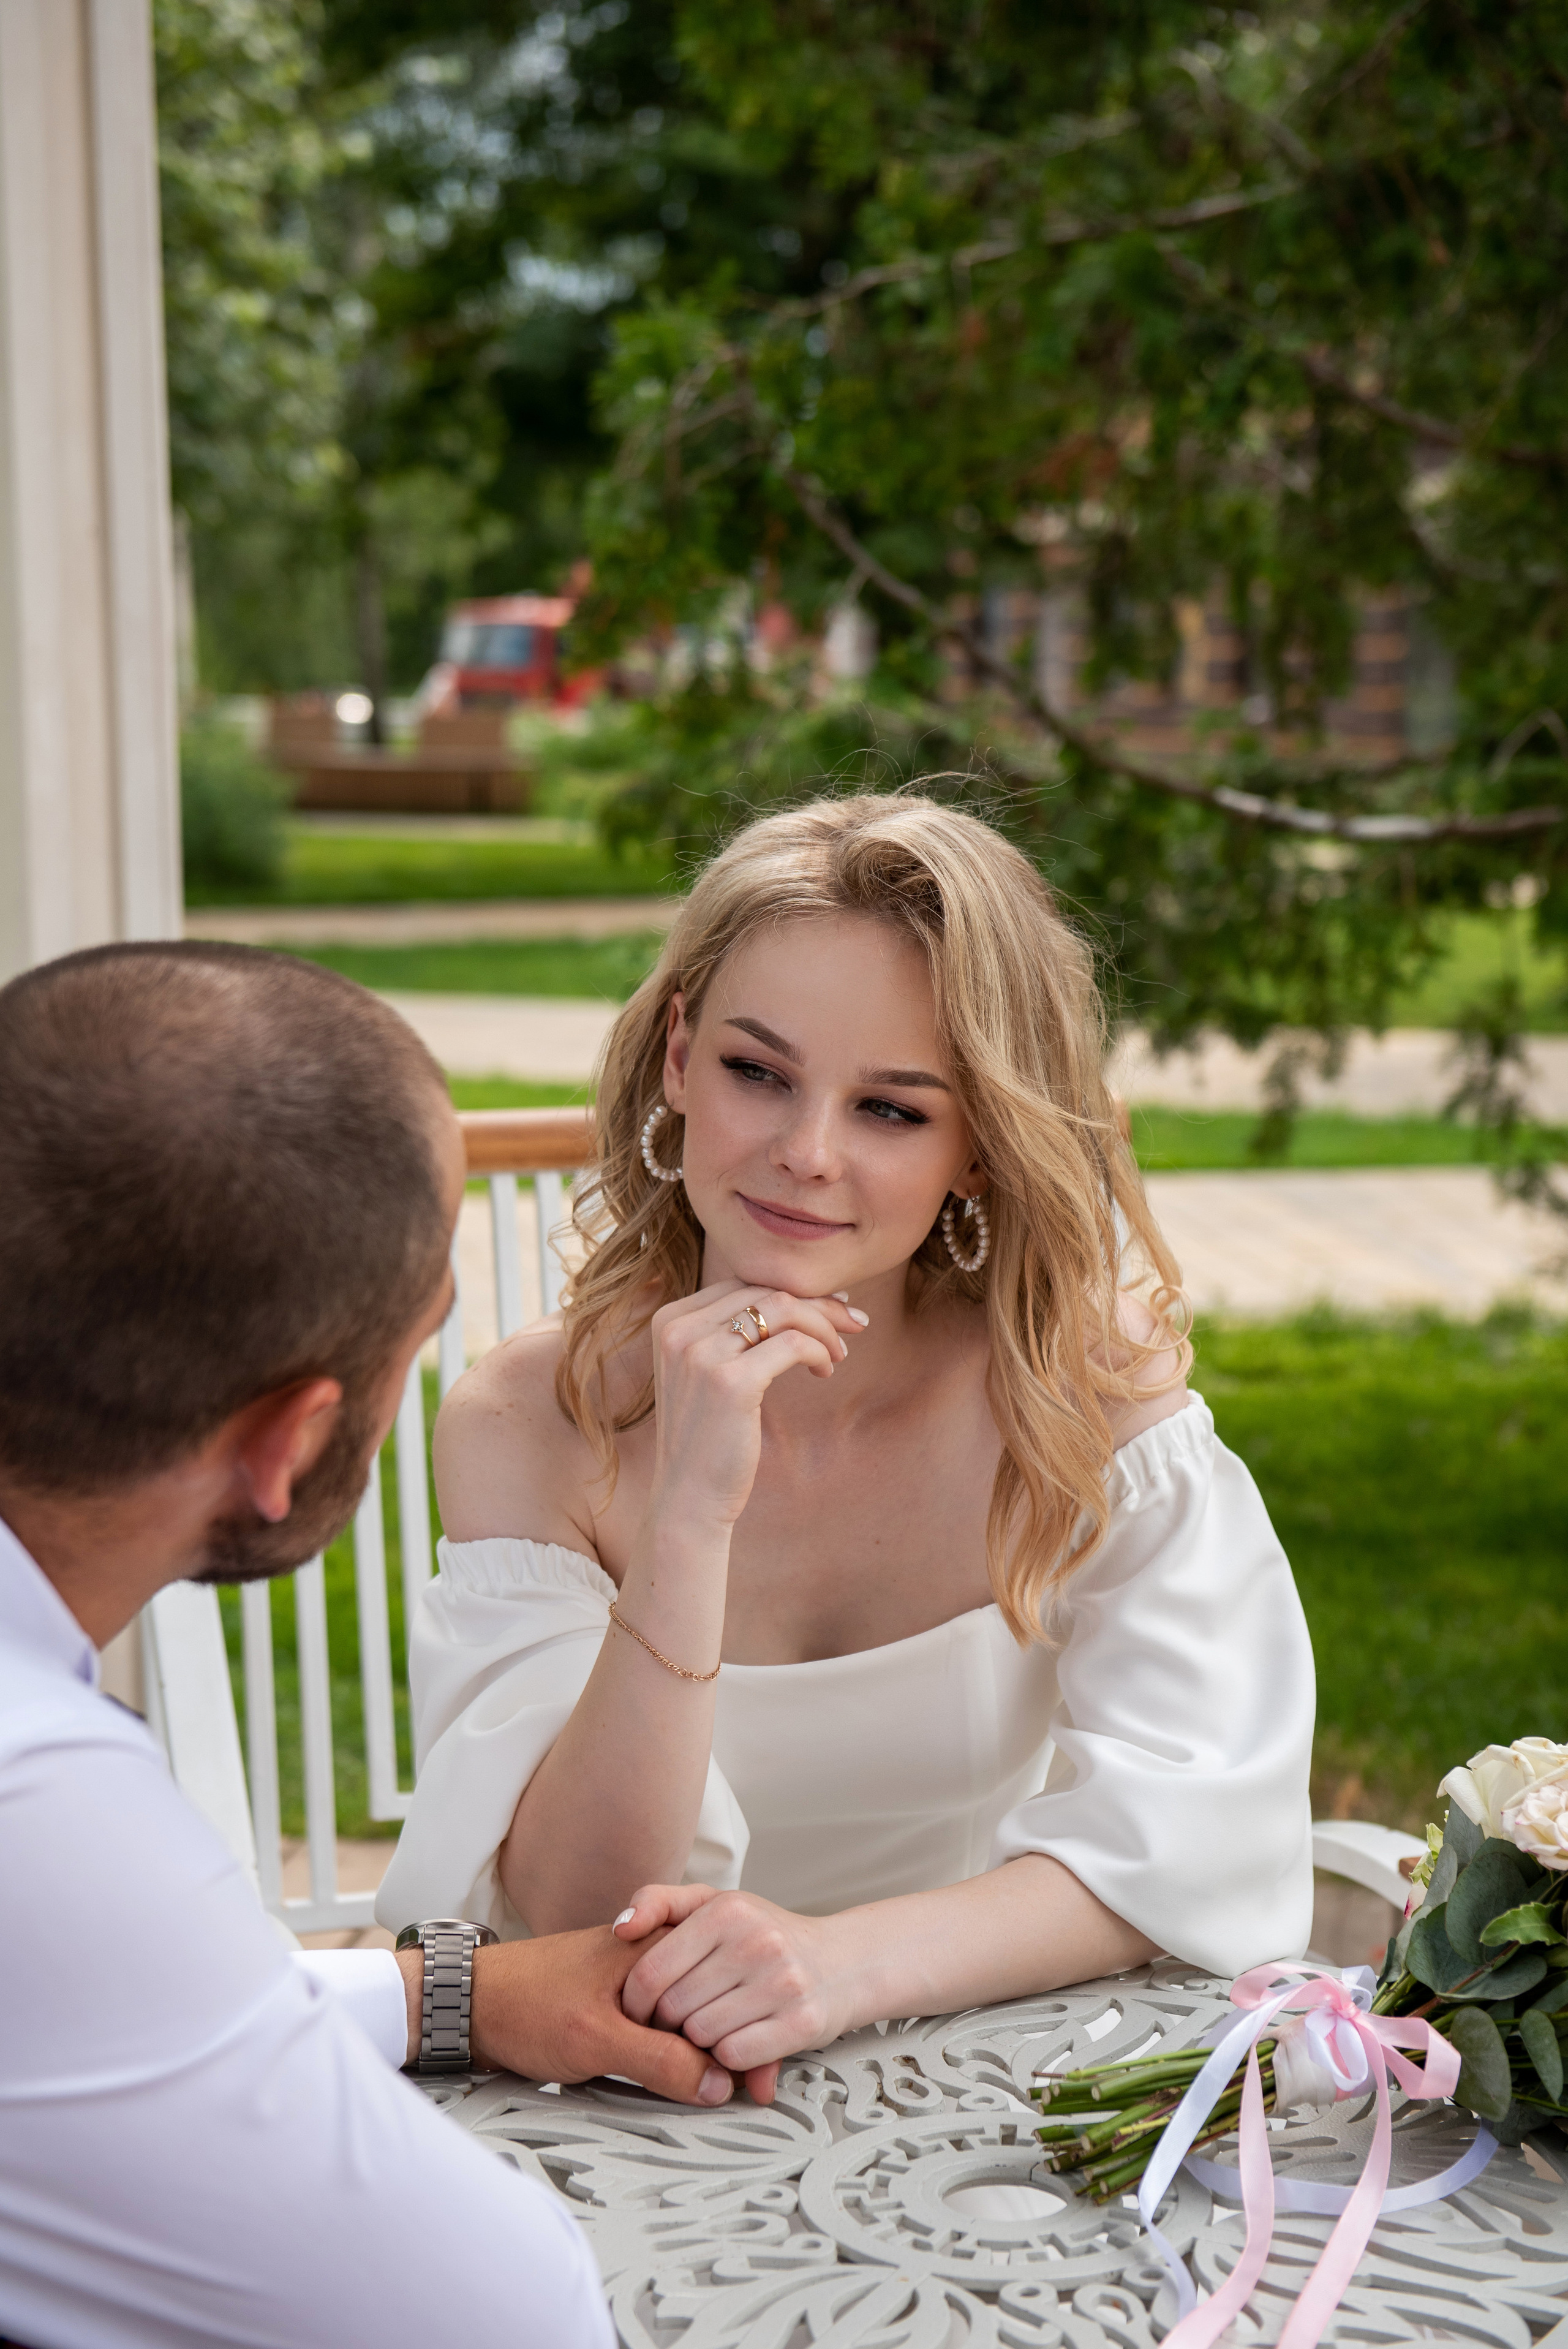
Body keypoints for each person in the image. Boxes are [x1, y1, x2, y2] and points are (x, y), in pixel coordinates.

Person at [379, 794, 1316, 2101]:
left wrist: (832, 1967)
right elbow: (572, 1913)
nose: (803, 1155)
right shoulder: (525, 1424)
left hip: (990, 2061)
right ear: (674, 1058)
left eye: (889, 1110)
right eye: (755, 1073)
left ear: (977, 1150)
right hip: (620, 2096)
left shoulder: (1078, 1392)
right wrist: (691, 1516)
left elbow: (1195, 1833)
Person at [0, 944, 737, 2349]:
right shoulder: (41, 1812)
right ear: (288, 1440)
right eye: (420, 1343)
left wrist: (443, 1994)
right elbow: (509, 2313)